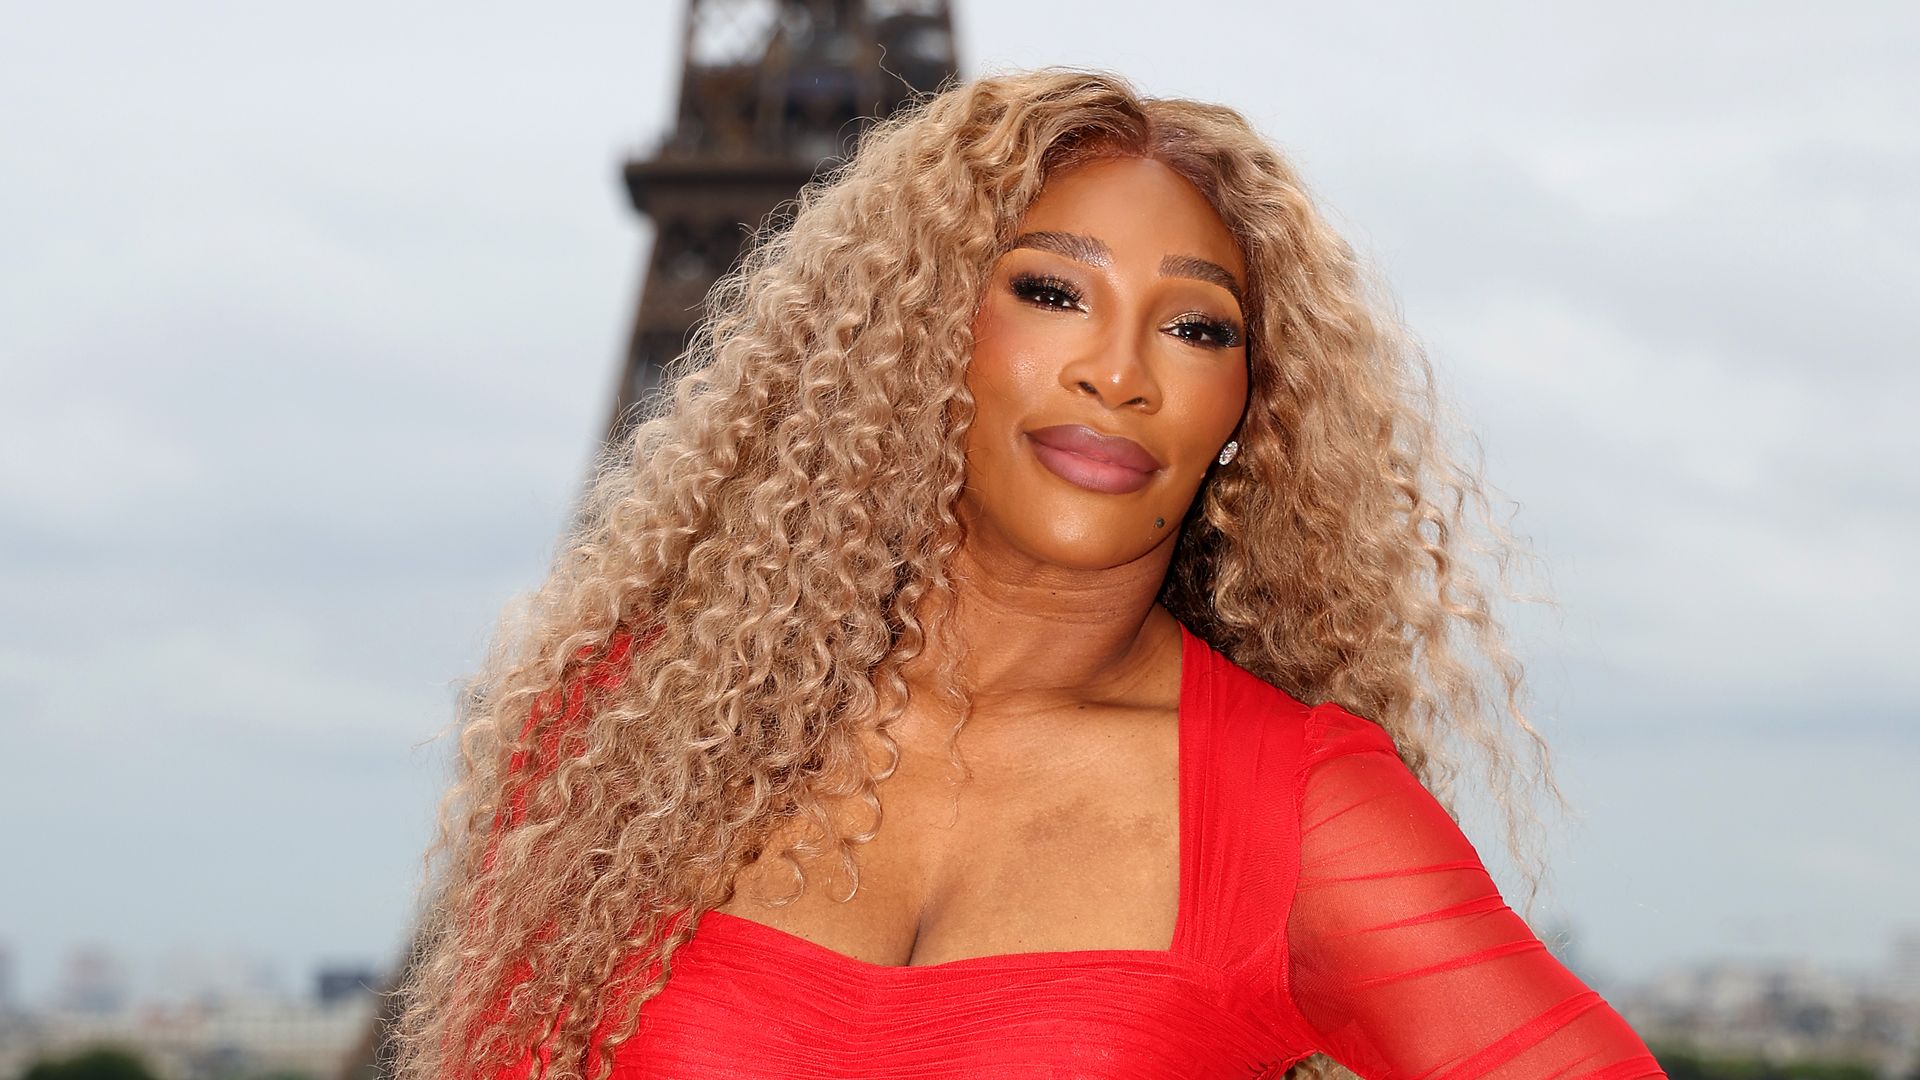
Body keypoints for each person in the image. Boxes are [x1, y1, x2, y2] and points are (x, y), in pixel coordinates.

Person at [390, 69, 1667, 1080]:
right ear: (922, 333)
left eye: (1195, 325)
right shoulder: (634, 722)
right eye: (1054, 292)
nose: (1119, 373)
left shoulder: (1298, 812)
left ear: (1251, 407)